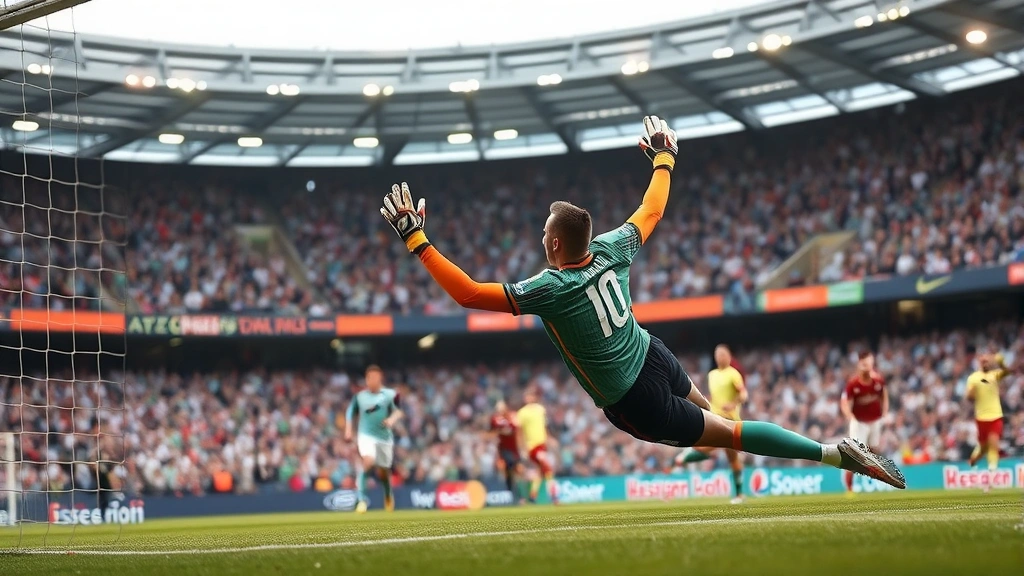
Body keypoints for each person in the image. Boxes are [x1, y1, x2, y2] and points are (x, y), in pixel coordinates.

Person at [379, 116, 905, 490]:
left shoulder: (549, 289)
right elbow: (651, 212)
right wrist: (663, 157)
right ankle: (728, 463)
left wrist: (417, 240)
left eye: (545, 232)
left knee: (732, 434)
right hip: (654, 353)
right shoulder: (612, 246)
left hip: (633, 398)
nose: (542, 237)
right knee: (724, 429)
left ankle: (835, 454)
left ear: (556, 242)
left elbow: (470, 293)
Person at [675, 344, 748, 503]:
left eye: (722, 354)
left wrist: (733, 403)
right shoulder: (712, 375)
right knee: (708, 447)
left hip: (731, 420)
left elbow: (743, 394)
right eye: (717, 354)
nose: (720, 357)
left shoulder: (733, 374)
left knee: (731, 457)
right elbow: (714, 397)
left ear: (729, 356)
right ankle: (684, 460)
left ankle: (683, 460)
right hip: (716, 418)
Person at [344, 365, 403, 512]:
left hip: (384, 437)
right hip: (365, 435)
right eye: (369, 378)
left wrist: (391, 420)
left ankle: (388, 495)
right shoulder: (360, 396)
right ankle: (361, 500)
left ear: (380, 378)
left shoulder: (391, 394)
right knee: (368, 462)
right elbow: (350, 412)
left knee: (383, 471)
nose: (371, 381)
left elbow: (398, 412)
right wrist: (348, 429)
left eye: (374, 378)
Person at [839, 351, 888, 494]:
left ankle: (877, 482)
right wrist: (849, 416)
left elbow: (884, 396)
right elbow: (845, 402)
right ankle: (849, 486)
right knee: (857, 454)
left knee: (874, 451)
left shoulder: (878, 381)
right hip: (859, 422)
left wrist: (884, 412)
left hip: (874, 421)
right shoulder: (853, 384)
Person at [966, 351, 1008, 489]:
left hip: (996, 416)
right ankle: (973, 460)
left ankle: (991, 480)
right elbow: (969, 397)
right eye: (983, 361)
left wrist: (1001, 362)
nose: (985, 363)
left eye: (987, 361)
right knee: (983, 448)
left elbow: (1008, 371)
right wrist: (971, 394)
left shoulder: (994, 375)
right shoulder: (973, 378)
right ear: (979, 362)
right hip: (981, 418)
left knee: (993, 445)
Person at [516, 387, 557, 504]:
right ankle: (554, 496)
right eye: (526, 396)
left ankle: (532, 496)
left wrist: (549, 438)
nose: (528, 398)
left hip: (542, 444)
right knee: (548, 468)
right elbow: (519, 432)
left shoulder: (540, 409)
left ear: (534, 397)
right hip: (532, 446)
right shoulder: (522, 413)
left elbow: (544, 426)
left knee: (540, 472)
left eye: (530, 395)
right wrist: (522, 447)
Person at [489, 400, 524, 503]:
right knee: (513, 470)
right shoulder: (496, 419)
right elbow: (494, 431)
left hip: (515, 449)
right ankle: (517, 496)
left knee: (515, 473)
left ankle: (517, 495)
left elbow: (516, 430)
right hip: (505, 450)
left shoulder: (512, 417)